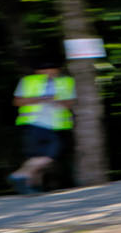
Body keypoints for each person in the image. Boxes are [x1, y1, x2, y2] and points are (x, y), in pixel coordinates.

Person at [7, 53, 75, 195]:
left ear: (57, 70)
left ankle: (28, 182)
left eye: (52, 69)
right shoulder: (28, 81)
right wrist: (39, 99)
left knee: (44, 156)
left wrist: (58, 101)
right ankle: (24, 179)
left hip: (56, 125)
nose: (48, 72)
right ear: (37, 71)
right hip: (34, 123)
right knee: (44, 156)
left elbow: (70, 103)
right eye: (44, 69)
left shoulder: (66, 82)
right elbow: (17, 102)